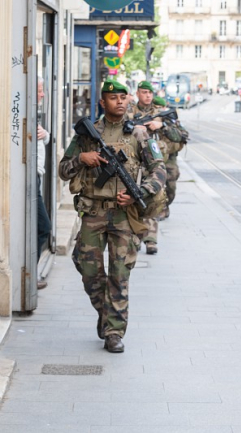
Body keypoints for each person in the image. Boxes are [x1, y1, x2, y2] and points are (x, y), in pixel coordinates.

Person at [59, 80, 166, 353]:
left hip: (123, 216)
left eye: (123, 97)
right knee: (88, 271)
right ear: (102, 102)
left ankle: (114, 332)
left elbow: (159, 172)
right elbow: (63, 170)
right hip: (93, 212)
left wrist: (138, 192)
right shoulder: (87, 134)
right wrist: (82, 159)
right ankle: (106, 315)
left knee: (119, 275)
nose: (119, 102)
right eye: (112, 98)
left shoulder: (139, 135)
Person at [128, 81, 184, 254]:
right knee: (132, 201)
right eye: (144, 92)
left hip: (155, 164)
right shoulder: (129, 112)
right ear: (138, 93)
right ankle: (136, 238)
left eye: (150, 93)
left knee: (155, 198)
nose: (148, 96)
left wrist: (163, 126)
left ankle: (151, 240)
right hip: (132, 163)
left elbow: (181, 135)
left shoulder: (161, 114)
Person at [152, 95, 189, 219]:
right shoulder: (148, 118)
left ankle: (166, 205)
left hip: (170, 158)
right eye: (156, 107)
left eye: (160, 107)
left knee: (171, 186)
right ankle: (157, 209)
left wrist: (163, 126)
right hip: (152, 158)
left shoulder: (170, 121)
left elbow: (183, 135)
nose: (159, 110)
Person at [36, 77, 52, 290]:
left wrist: (45, 134)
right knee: (43, 227)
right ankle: (30, 273)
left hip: (36, 176)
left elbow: (43, 138)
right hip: (29, 178)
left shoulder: (34, 111)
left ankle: (31, 272)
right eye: (40, 90)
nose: (42, 94)